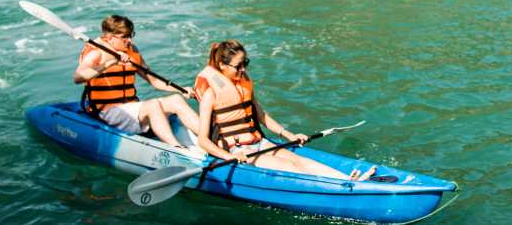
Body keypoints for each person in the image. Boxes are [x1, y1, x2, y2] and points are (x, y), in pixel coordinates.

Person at [194, 39, 375, 180]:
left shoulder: (244, 83)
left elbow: (262, 115)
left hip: (258, 142)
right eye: (238, 66)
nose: (243, 69)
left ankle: (347, 180)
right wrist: (227, 156)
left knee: (299, 160)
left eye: (245, 63)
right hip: (238, 150)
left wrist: (289, 135)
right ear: (222, 66)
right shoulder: (211, 93)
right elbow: (203, 140)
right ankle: (342, 188)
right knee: (291, 169)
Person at [74, 14, 201, 149]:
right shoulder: (96, 53)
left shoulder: (132, 51)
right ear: (110, 38)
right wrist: (109, 63)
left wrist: (181, 89)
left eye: (131, 35)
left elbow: (154, 80)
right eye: (125, 37)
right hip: (107, 112)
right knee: (152, 105)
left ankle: (209, 139)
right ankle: (176, 149)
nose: (129, 40)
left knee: (176, 100)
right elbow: (78, 77)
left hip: (130, 108)